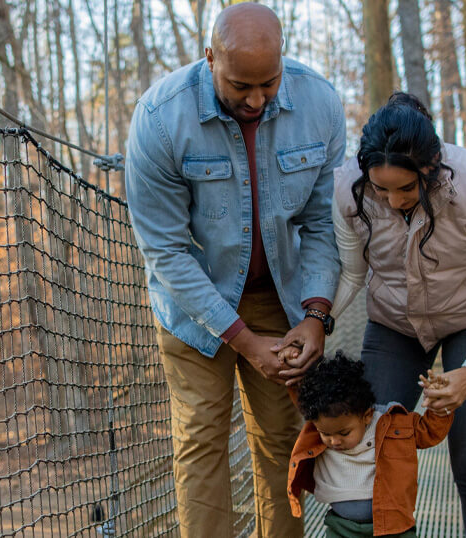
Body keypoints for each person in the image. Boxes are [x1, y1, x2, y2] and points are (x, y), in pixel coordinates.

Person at [124, 3, 345, 534]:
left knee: (283, 439)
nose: (255, 99)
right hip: (193, 302)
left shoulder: (320, 104)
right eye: (240, 85)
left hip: (282, 298)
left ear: (283, 60)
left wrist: (316, 315)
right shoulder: (159, 118)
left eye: (268, 84)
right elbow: (167, 251)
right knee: (202, 437)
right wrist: (243, 340)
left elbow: (323, 225)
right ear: (210, 60)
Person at [302, 92, 466, 536]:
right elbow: (352, 274)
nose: (392, 201)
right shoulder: (347, 190)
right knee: (372, 444)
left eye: (406, 188)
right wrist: (317, 322)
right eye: (380, 188)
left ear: (432, 167)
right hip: (394, 325)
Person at [284, 352, 453, 537]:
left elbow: (428, 432)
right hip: (341, 527)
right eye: (326, 434)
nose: (334, 441)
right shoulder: (320, 427)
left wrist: (439, 406)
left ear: (367, 416)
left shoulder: (392, 425)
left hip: (394, 528)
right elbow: (301, 399)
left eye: (344, 433)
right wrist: (289, 363)